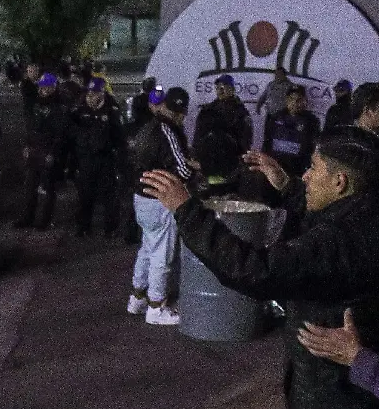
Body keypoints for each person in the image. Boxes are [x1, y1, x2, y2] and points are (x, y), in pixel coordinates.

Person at [141, 126, 379, 409]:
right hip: (365, 406)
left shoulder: (338, 240)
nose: (305, 176)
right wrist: (287, 187)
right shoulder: (377, 216)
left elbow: (254, 270)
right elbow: (329, 218)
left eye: (313, 168)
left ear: (340, 182)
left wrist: (187, 210)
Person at [128, 87, 193, 327]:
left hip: (141, 195)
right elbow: (183, 170)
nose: (180, 117)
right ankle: (156, 307)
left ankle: (137, 298)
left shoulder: (148, 127)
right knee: (162, 255)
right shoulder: (167, 130)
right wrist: (193, 168)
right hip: (159, 198)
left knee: (147, 248)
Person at [69, 78, 126, 237]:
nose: (91, 96)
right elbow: (71, 131)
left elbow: (120, 137)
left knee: (109, 195)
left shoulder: (112, 110)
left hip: (106, 158)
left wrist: (120, 158)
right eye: (90, 93)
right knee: (85, 194)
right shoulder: (79, 109)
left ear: (102, 93)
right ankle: (83, 226)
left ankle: (111, 228)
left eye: (95, 93)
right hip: (86, 158)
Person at [15, 73, 69, 230]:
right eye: (41, 87)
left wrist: (53, 153)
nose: (43, 90)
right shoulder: (36, 104)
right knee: (30, 187)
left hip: (49, 151)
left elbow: (60, 134)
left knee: (47, 188)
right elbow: (30, 128)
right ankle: (27, 218)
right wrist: (26, 145)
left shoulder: (60, 106)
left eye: (47, 87)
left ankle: (45, 220)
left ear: (53, 87)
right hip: (34, 149)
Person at [192, 74, 253, 184]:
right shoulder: (207, 110)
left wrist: (240, 162)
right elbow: (198, 136)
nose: (220, 90)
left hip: (230, 166)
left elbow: (246, 140)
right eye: (218, 87)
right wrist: (196, 157)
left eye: (224, 87)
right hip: (207, 164)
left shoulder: (241, 113)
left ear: (232, 89)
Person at [263, 85, 321, 178]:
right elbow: (267, 143)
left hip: (298, 170)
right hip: (275, 167)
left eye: (299, 99)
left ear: (304, 101)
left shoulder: (312, 121)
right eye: (291, 99)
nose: (294, 103)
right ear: (286, 100)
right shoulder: (275, 117)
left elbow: (314, 148)